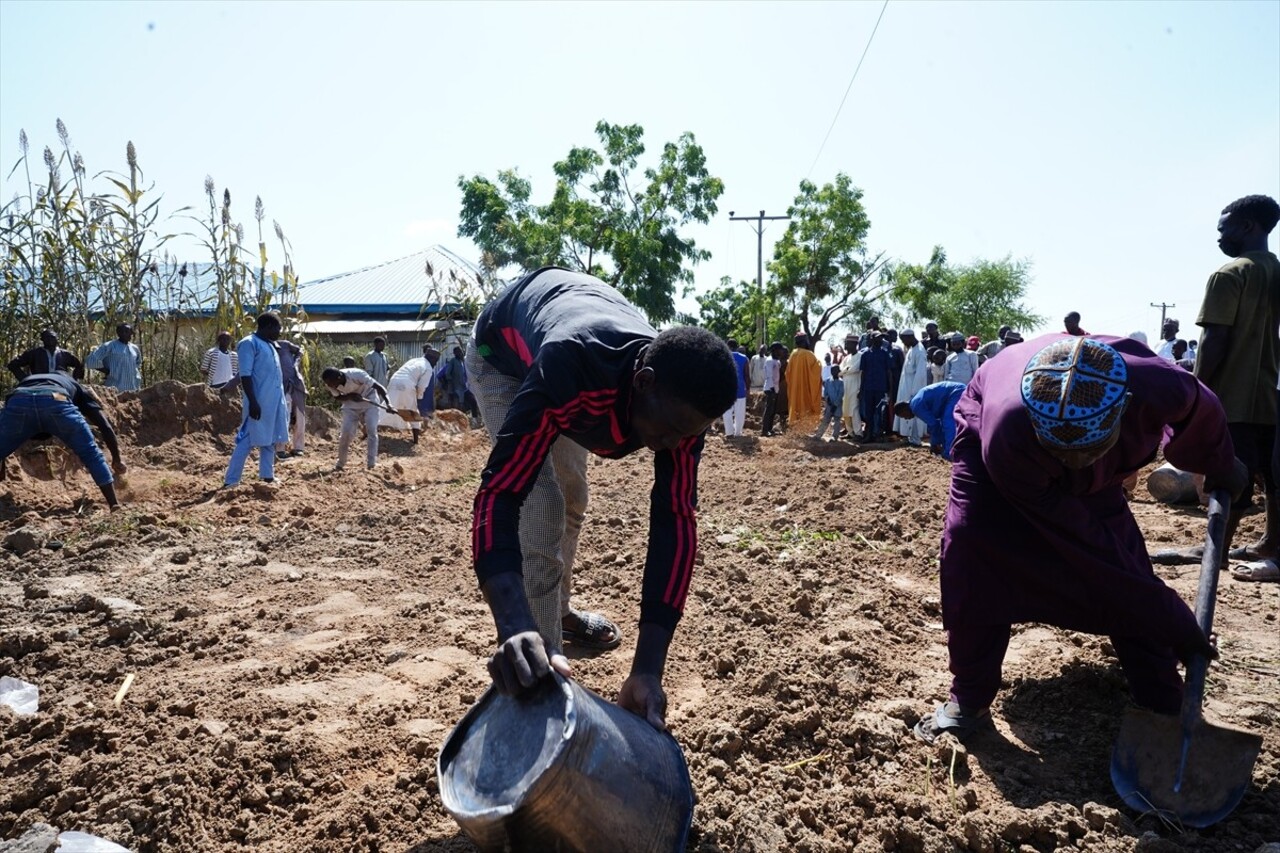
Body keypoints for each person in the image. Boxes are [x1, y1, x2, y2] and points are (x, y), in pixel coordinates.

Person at [914, 335, 1247, 744]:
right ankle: (969, 698)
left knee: (1125, 555)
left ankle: (1163, 698)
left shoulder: (1162, 386)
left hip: (1093, 451)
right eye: (1063, 454)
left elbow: (1202, 410)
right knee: (974, 545)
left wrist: (1218, 462)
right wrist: (1172, 617)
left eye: (1084, 453)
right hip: (1002, 438)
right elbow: (1086, 548)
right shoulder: (1007, 438)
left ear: (1122, 411)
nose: (1072, 466)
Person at [466, 267, 737, 730]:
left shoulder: (681, 408)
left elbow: (676, 520)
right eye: (670, 431)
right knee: (542, 501)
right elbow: (500, 492)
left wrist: (648, 669)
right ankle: (542, 671)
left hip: (576, 356)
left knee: (572, 498)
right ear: (644, 381)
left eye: (688, 435)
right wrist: (513, 626)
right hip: (504, 356)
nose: (674, 445)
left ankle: (561, 611)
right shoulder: (571, 369)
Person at [1154, 194, 1280, 569]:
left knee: (1227, 474)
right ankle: (1272, 543)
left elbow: (1214, 340)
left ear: (1247, 227)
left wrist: (1195, 392)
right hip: (1270, 398)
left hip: (1233, 397)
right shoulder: (1275, 271)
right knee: (1272, 479)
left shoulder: (1230, 274)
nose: (1220, 238)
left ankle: (1215, 552)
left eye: (1223, 229)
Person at [0, 373, 126, 509]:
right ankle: (114, 504)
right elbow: (104, 426)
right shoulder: (76, 387)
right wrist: (116, 459)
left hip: (19, 399)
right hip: (56, 399)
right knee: (91, 453)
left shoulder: (29, 380)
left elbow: (10, 412)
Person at [223, 313, 289, 488]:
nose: (279, 333)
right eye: (278, 329)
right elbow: (245, 374)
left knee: (270, 439)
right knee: (247, 440)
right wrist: (253, 401)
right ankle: (231, 480)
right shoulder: (249, 343)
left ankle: (267, 476)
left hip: (273, 402)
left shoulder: (270, 345)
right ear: (268, 327)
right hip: (258, 402)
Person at [323, 366, 392, 471]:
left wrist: (389, 404)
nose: (329, 386)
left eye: (331, 383)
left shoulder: (357, 375)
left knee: (371, 430)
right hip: (350, 405)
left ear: (339, 378)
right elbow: (337, 397)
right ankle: (341, 462)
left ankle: (371, 463)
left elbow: (379, 387)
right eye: (328, 384)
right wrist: (350, 396)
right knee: (345, 434)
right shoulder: (330, 383)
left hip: (369, 401)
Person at [895, 380, 966, 460]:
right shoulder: (916, 401)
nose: (906, 418)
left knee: (948, 422)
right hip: (953, 393)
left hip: (955, 393)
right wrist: (936, 443)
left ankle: (949, 454)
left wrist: (934, 444)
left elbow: (934, 424)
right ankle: (948, 449)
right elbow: (933, 423)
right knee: (945, 422)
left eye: (903, 416)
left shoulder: (916, 407)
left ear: (904, 410)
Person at [387, 350, 437, 444]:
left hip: (394, 381)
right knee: (413, 411)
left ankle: (368, 431)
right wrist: (419, 399)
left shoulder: (415, 360)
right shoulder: (428, 368)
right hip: (407, 384)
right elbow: (421, 386)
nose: (436, 363)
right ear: (432, 358)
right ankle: (416, 441)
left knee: (387, 407)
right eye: (436, 361)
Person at [895, 330, 929, 447]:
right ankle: (910, 437)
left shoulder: (919, 351)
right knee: (907, 412)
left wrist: (915, 392)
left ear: (910, 337)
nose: (903, 342)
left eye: (904, 339)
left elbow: (920, 374)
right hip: (906, 385)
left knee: (913, 412)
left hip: (913, 388)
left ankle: (915, 439)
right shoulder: (911, 349)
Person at [8, 329, 84, 381]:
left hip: (60, 383)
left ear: (57, 339)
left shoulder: (65, 354)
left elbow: (79, 365)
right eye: (47, 337)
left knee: (83, 396)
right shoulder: (34, 353)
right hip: (38, 383)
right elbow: (12, 365)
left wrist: (74, 379)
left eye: (52, 337)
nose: (50, 340)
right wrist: (24, 379)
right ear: (42, 339)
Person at [86, 323, 142, 391]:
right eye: (124, 331)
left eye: (129, 331)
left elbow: (138, 363)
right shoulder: (109, 346)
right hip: (115, 389)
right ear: (118, 333)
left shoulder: (134, 348)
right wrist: (107, 371)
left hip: (133, 389)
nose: (128, 334)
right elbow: (91, 360)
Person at [276, 338, 307, 458]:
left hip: (296, 384)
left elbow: (300, 350)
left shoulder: (284, 344)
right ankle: (280, 448)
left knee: (300, 417)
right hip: (281, 386)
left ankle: (298, 447)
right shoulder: (266, 347)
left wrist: (296, 362)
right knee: (283, 417)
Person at [858, 332, 891, 442]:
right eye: (878, 338)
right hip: (868, 388)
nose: (881, 340)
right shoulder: (865, 354)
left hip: (881, 388)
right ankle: (869, 435)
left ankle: (878, 435)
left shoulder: (885, 353)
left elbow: (888, 372)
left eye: (881, 338)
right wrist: (861, 389)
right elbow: (863, 373)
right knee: (868, 412)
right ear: (872, 339)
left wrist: (889, 389)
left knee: (879, 412)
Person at [786, 334, 823, 424]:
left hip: (795, 389)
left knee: (795, 406)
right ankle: (804, 428)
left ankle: (795, 427)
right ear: (804, 341)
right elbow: (816, 370)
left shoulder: (793, 354)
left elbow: (787, 373)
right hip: (806, 389)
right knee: (806, 408)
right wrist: (819, 363)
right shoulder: (809, 354)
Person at [721, 338, 749, 438]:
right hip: (740, 389)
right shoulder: (744, 358)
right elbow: (746, 375)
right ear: (737, 347)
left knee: (727, 412)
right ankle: (738, 433)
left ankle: (729, 433)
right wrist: (748, 389)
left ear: (727, 346)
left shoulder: (723, 357)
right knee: (740, 413)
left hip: (727, 390)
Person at [839, 333, 862, 440]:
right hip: (845, 387)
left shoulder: (860, 356)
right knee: (845, 410)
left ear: (854, 344)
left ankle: (858, 433)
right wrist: (846, 370)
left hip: (855, 386)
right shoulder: (846, 358)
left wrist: (845, 371)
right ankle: (850, 432)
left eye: (847, 343)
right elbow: (839, 371)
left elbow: (854, 369)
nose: (846, 346)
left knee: (854, 410)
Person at [813, 364, 844, 441]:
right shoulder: (827, 381)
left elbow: (841, 394)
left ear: (839, 371)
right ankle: (818, 435)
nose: (833, 372)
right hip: (829, 405)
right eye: (832, 370)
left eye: (835, 370)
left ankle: (834, 437)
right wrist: (828, 401)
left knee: (836, 421)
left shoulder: (841, 382)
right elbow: (826, 393)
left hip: (838, 405)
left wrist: (835, 404)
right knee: (825, 420)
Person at [761, 342, 783, 437]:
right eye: (779, 350)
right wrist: (772, 388)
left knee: (772, 410)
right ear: (775, 350)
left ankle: (769, 429)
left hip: (775, 388)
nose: (781, 352)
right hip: (770, 388)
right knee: (769, 410)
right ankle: (764, 430)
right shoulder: (769, 361)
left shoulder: (777, 361)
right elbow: (769, 376)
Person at [440, 345, 469, 410]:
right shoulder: (453, 361)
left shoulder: (462, 362)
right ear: (455, 353)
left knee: (461, 403)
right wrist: (451, 383)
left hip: (462, 386)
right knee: (455, 404)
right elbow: (447, 373)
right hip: (455, 387)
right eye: (458, 352)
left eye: (461, 351)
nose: (460, 353)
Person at [419, 345, 441, 420]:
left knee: (428, 405)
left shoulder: (430, 364)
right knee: (422, 405)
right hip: (422, 390)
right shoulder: (423, 363)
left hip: (429, 390)